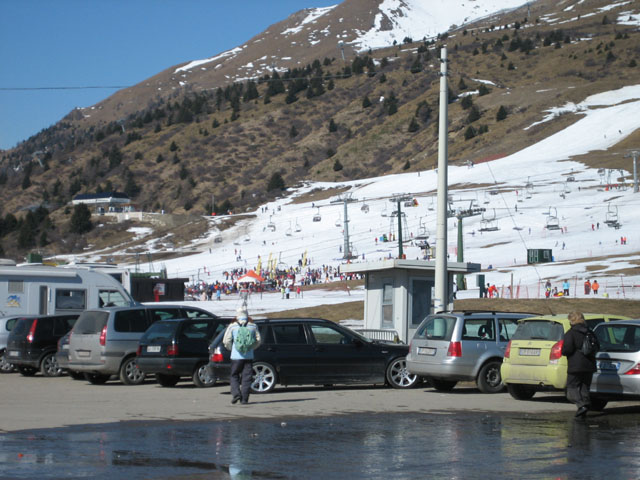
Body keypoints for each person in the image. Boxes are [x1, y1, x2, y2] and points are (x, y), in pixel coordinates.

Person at [223, 306, 261, 405]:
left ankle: (236, 394)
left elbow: (226, 341)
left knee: (234, 375)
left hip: (236, 356)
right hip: (248, 356)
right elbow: (258, 340)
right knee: (247, 377)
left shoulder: (233, 326)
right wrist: (252, 348)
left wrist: (232, 349)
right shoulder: (253, 326)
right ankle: (244, 399)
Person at [561, 311, 596, 418]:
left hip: (575, 365)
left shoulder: (570, 333)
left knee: (570, 390)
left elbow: (566, 349)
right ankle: (584, 409)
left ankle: (582, 406)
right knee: (584, 387)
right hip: (589, 365)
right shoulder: (590, 332)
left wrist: (564, 352)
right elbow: (597, 346)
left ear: (572, 321)